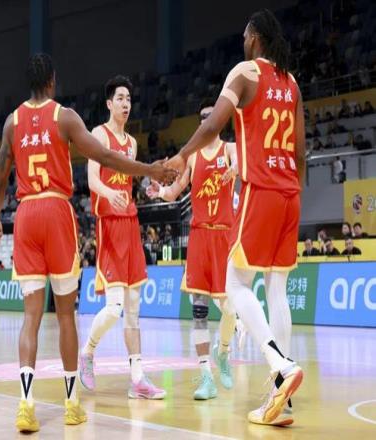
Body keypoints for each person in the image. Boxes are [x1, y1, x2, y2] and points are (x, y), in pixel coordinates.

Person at [0, 53, 176, 433]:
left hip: (25, 214)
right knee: (65, 315)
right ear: (52, 81)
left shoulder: (12, 121)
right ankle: (71, 403)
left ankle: (26, 405)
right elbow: (105, 156)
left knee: (30, 318)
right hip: (56, 213)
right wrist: (150, 170)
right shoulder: (65, 117)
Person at [166, 9, 305, 426]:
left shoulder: (245, 73)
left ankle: (281, 365)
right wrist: (293, 189)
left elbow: (213, 126)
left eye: (246, 35)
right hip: (291, 194)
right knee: (277, 289)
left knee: (236, 284)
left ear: (255, 37)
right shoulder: (292, 83)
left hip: (261, 191)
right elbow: (300, 152)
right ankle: (281, 397)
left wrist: (182, 154)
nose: (243, 41)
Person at [79, 75, 166, 400]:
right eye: (120, 98)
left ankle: (138, 379)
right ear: (109, 103)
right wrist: (108, 192)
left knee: (133, 308)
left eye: (129, 98)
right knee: (114, 307)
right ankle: (87, 352)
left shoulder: (131, 143)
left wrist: (150, 186)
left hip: (130, 222)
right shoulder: (98, 135)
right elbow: (92, 180)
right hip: (109, 224)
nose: (126, 103)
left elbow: (131, 179)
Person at [147, 98, 238, 400]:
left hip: (224, 237)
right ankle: (206, 377)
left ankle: (223, 352)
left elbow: (243, 162)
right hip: (199, 237)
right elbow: (174, 192)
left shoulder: (229, 149)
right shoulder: (194, 158)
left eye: (211, 116)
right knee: (199, 310)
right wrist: (159, 191)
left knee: (230, 309)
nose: (205, 120)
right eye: (201, 117)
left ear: (220, 120)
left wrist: (235, 169)